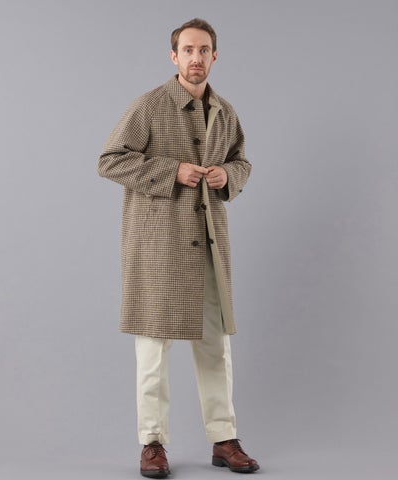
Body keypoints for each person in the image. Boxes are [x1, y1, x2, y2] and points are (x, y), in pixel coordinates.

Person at [98, 18, 259, 478]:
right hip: (158, 247)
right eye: (187, 50)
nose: (195, 58)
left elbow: (241, 161)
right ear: (174, 56)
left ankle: (224, 438)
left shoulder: (224, 112)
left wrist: (229, 176)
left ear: (214, 56)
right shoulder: (149, 105)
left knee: (216, 347)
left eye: (203, 50)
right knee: (153, 349)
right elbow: (109, 160)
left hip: (208, 245)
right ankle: (152, 444)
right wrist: (173, 171)